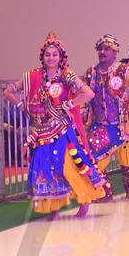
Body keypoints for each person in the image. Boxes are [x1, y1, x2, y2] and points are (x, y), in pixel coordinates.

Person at [26, 33, 107, 218]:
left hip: (63, 131)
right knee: (47, 169)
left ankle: (85, 201)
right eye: (48, 54)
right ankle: (54, 208)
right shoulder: (36, 76)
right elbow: (9, 91)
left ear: (61, 56)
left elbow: (88, 93)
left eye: (55, 54)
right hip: (42, 132)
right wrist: (22, 104)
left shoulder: (66, 75)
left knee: (68, 168)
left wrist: (70, 104)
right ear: (42, 56)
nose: (51, 58)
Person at [83, 34, 129, 200]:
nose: (103, 52)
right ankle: (105, 192)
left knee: (128, 161)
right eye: (101, 49)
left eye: (107, 49)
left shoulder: (124, 71)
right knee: (96, 160)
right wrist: (84, 118)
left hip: (124, 124)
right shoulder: (91, 73)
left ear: (115, 52)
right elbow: (85, 97)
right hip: (101, 125)